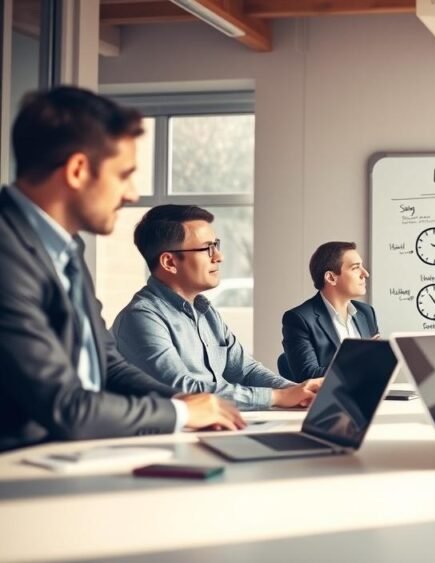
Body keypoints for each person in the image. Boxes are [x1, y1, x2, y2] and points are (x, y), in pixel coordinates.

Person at [0, 87, 244, 452]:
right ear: (79, 170)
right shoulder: (7, 252)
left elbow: (110, 365)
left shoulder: (66, 248)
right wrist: (178, 415)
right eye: (124, 175)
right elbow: (67, 405)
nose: (131, 194)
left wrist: (188, 404)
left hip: (69, 452)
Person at [112, 205, 320, 410]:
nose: (219, 256)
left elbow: (245, 370)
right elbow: (183, 389)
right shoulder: (141, 318)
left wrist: (300, 392)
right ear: (169, 262)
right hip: (167, 436)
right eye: (207, 248)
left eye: (217, 245)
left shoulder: (205, 311)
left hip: (214, 424)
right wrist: (277, 397)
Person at [281, 242, 379, 382]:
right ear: (331, 278)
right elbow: (308, 375)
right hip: (330, 401)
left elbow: (375, 368)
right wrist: (358, 360)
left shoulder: (366, 312)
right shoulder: (298, 319)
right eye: (355, 268)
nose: (365, 274)